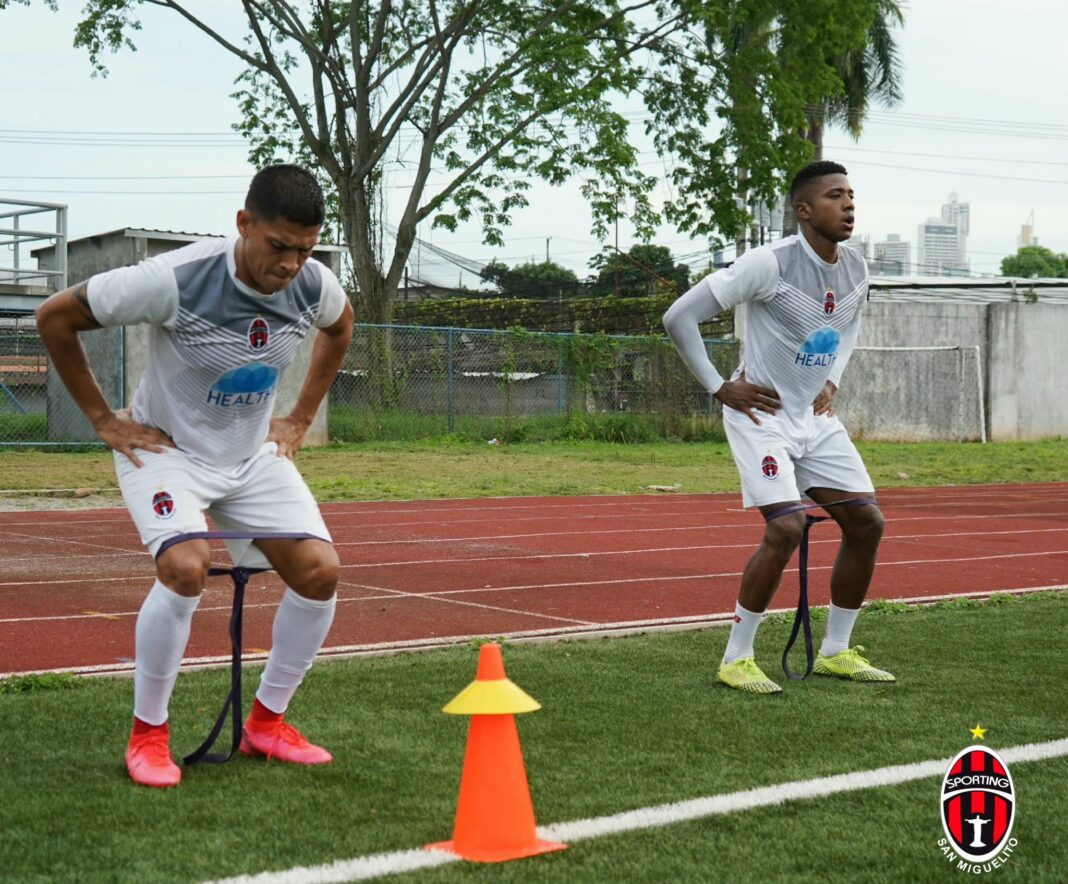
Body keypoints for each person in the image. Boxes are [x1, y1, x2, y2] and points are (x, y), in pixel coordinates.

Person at [35, 164, 356, 784]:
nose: (291, 265)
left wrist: (299, 418)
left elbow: (341, 330)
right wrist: (102, 418)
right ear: (244, 224)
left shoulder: (315, 284)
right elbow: (54, 316)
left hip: (250, 456)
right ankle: (148, 736)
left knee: (320, 573)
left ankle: (266, 725)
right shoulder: (173, 280)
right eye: (279, 246)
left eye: (305, 250)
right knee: (186, 566)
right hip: (168, 451)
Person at [662, 160, 893, 695]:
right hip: (760, 417)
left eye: (851, 195)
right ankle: (736, 658)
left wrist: (832, 378)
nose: (849, 204)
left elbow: (847, 325)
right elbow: (678, 317)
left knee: (867, 523)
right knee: (786, 527)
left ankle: (836, 652)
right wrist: (719, 386)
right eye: (835, 196)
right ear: (803, 210)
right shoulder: (767, 263)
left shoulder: (857, 267)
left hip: (814, 418)